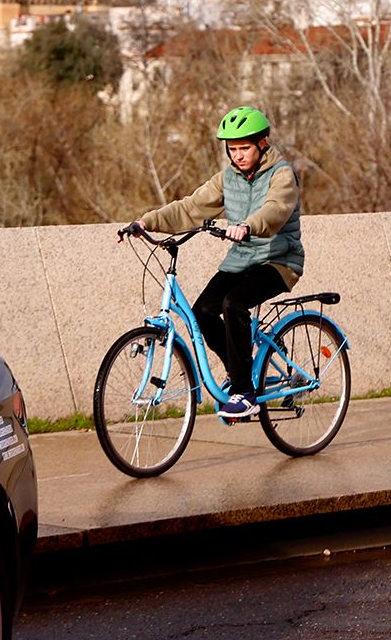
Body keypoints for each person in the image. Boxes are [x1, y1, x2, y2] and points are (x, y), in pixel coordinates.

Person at [122, 106, 303, 421]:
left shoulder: (282, 174)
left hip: (279, 260)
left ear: (262, 144)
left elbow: (275, 209)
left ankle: (246, 394)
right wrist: (146, 222)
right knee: (203, 310)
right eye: (232, 149)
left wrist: (247, 225)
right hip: (242, 259)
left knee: (234, 303)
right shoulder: (227, 179)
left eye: (244, 148)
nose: (238, 156)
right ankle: (240, 371)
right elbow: (191, 208)